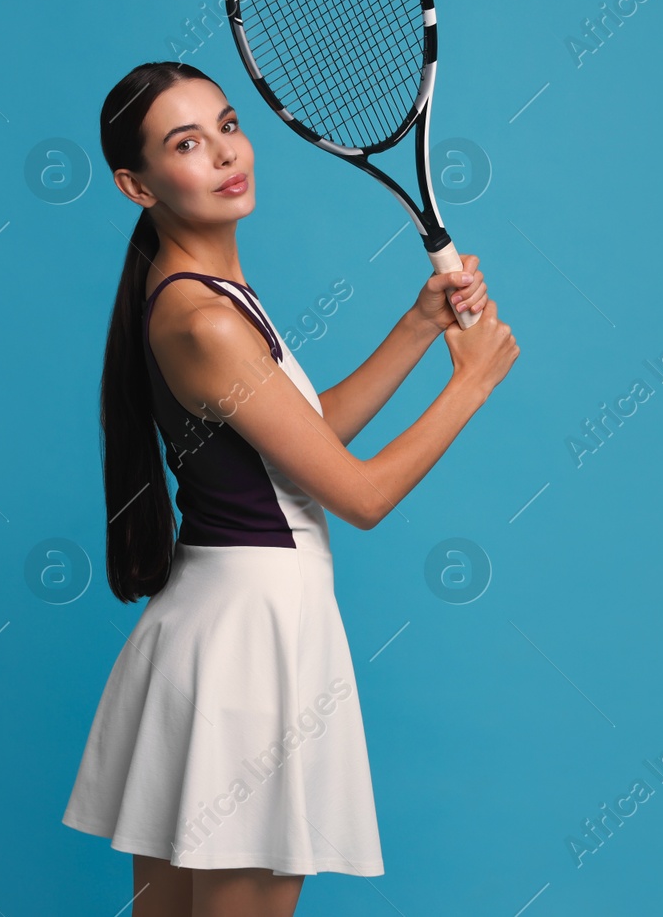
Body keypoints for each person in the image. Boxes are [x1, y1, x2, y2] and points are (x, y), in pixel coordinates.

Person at [62, 60, 518, 917]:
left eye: (229, 126)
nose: (227, 154)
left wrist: (420, 326)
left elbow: (303, 442)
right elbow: (361, 496)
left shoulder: (209, 298)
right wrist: (472, 384)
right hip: (246, 646)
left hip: (220, 633)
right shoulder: (202, 322)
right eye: (186, 144)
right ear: (136, 185)